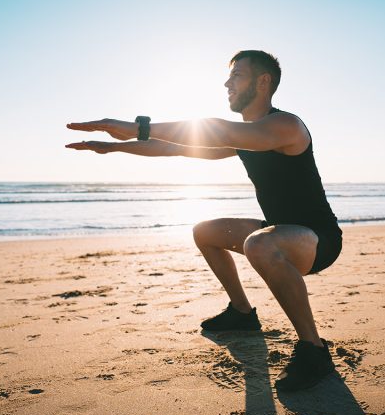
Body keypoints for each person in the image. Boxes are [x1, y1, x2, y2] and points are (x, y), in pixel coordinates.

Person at [65, 50, 342, 391]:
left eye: (237, 75)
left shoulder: (285, 125)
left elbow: (220, 132)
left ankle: (314, 350)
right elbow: (175, 148)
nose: (227, 82)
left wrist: (140, 126)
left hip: (319, 241)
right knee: (205, 232)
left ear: (263, 81)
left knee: (259, 242)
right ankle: (242, 314)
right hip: (280, 234)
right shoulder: (246, 137)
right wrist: (115, 147)